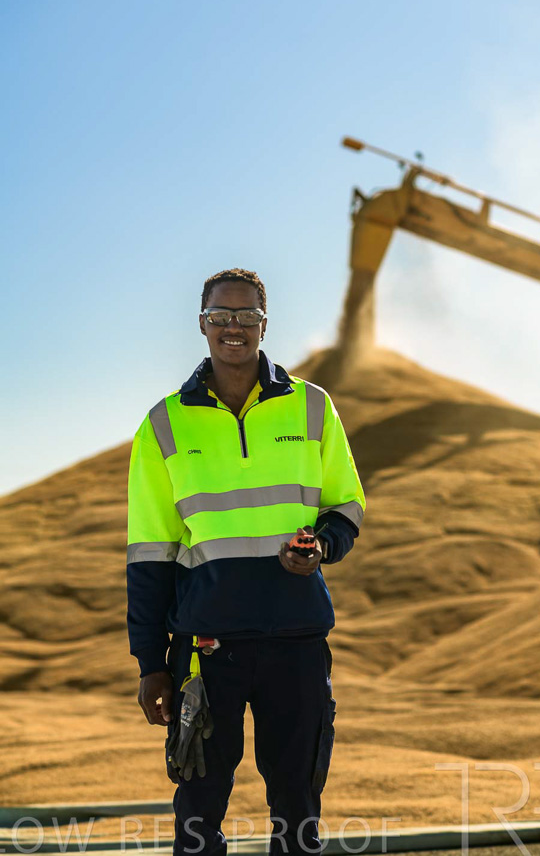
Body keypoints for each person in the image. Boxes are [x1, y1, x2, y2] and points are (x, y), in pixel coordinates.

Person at [126, 268, 366, 856]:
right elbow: (151, 553)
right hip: (206, 652)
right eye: (221, 315)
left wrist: (321, 548)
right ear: (202, 323)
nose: (233, 326)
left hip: (297, 642)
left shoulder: (313, 407)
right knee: (198, 809)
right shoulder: (163, 424)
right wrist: (150, 664)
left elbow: (346, 505)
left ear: (265, 324)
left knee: (298, 807)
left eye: (247, 316)